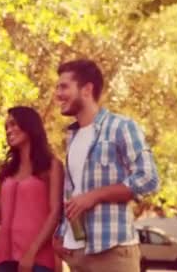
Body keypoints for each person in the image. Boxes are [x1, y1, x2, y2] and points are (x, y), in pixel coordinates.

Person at [51, 59, 160, 272]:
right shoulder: (72, 137)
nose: (57, 94)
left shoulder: (121, 127)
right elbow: (75, 194)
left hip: (112, 250)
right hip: (77, 254)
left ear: (87, 89)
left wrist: (95, 195)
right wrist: (60, 232)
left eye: (64, 86)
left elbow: (148, 178)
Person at [0, 106, 63, 272]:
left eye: (13, 124)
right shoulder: (7, 171)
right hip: (3, 257)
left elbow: (55, 213)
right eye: (6, 127)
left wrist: (31, 252)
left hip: (38, 259)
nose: (9, 130)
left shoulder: (51, 166)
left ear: (29, 126)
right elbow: (0, 216)